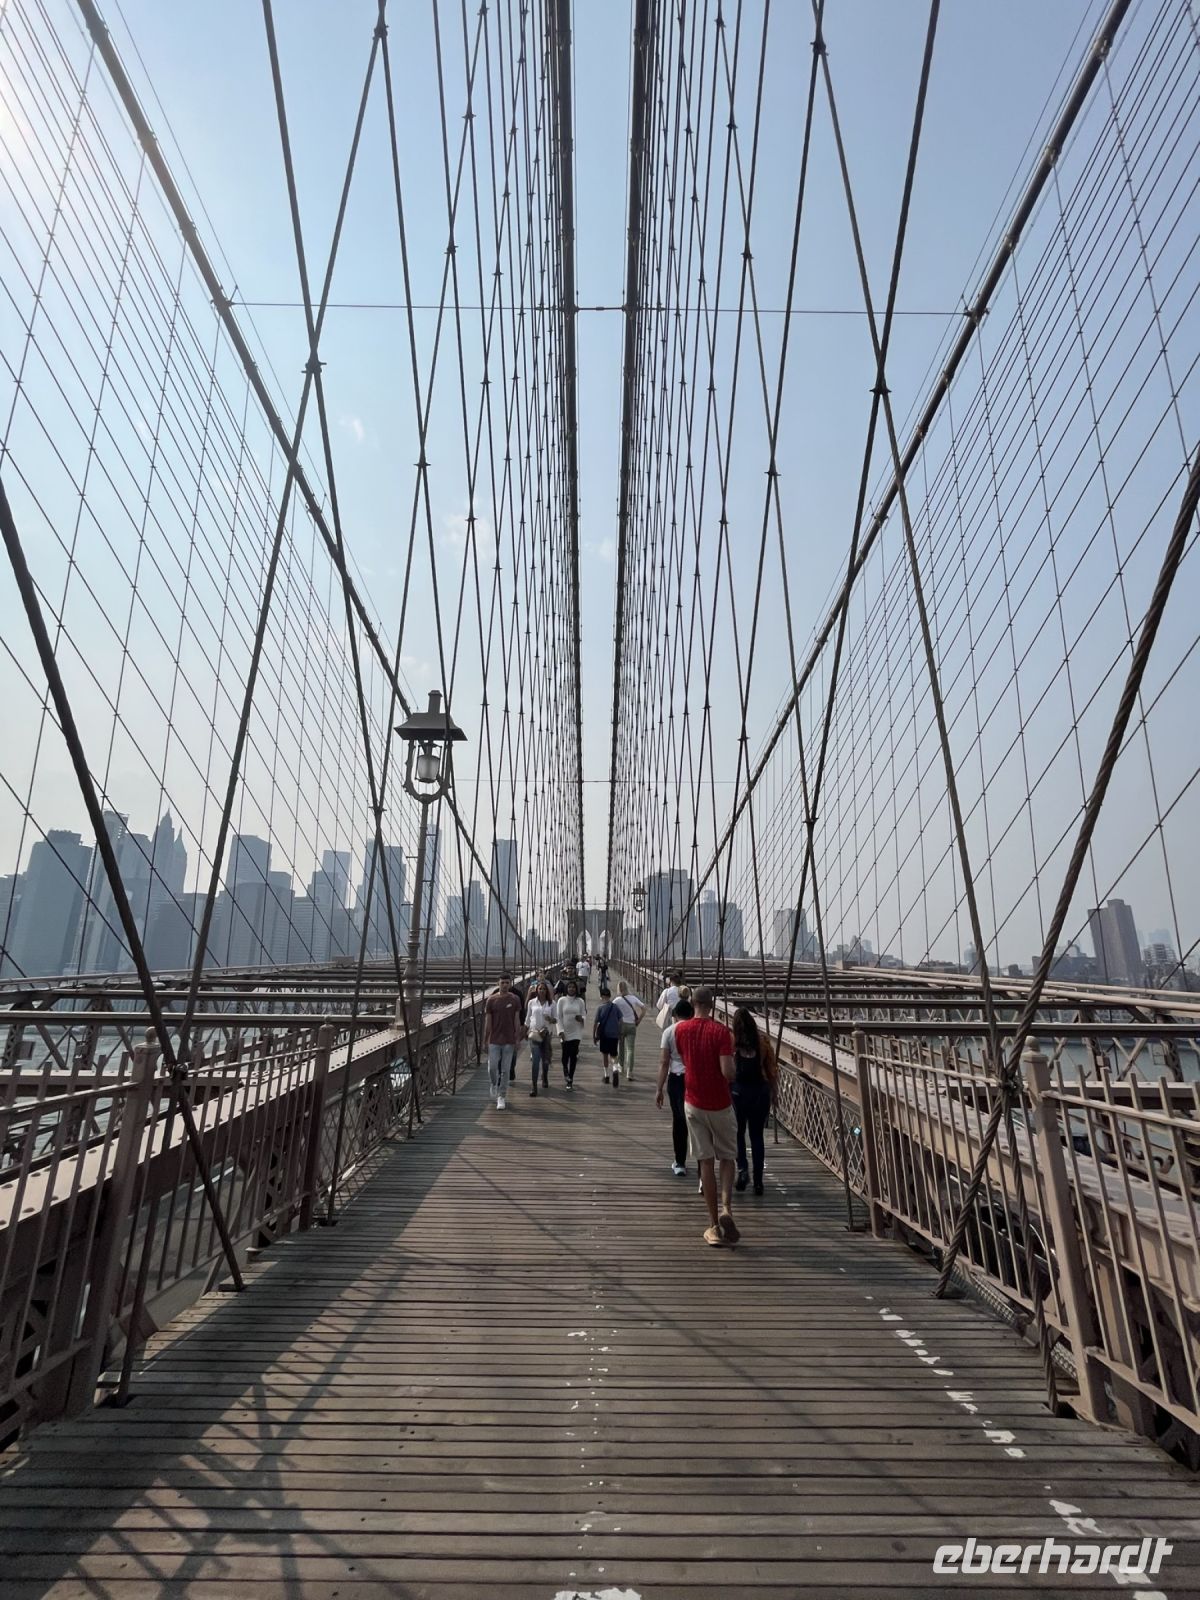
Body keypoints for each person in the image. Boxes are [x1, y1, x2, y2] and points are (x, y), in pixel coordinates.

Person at [674, 986, 739, 1245]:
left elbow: (684, 1057)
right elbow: (727, 1072)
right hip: (720, 1104)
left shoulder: (680, 1030)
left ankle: (713, 1226)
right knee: (727, 1157)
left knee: (705, 1163)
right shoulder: (722, 1032)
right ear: (711, 1005)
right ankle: (726, 1208)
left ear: (691, 1003)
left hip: (693, 1102)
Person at [730, 1007, 778, 1193]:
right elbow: (772, 1070)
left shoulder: (732, 1042)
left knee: (738, 1134)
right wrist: (775, 1093)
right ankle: (758, 1181)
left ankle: (742, 1169)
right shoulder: (763, 1041)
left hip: (738, 1093)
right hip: (760, 1093)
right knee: (757, 1136)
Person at [655, 992, 694, 1175]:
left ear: (674, 1015)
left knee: (679, 1121)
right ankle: (704, 1166)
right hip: (697, 1078)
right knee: (698, 1122)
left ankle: (680, 1163)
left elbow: (664, 1062)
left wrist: (659, 1089)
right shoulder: (697, 1029)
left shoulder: (669, 1032)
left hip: (677, 1079)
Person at [483, 973, 523, 1110]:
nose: (505, 985)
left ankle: (501, 1096)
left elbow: (517, 1020)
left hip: (509, 1040)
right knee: (492, 1067)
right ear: (498, 984)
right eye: (502, 983)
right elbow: (488, 1022)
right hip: (494, 1039)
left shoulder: (515, 999)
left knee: (506, 1070)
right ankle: (493, 1084)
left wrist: (517, 1038)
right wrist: (485, 1040)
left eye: (507, 982)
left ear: (510, 984)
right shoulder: (491, 1000)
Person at [526, 981, 558, 1096]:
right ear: (537, 990)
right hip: (534, 1034)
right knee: (535, 1060)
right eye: (540, 989)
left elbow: (556, 1019)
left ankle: (544, 1075)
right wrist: (524, 1031)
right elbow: (528, 1018)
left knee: (545, 1059)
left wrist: (550, 1019)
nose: (542, 991)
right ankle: (534, 1086)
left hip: (546, 1034)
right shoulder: (531, 1002)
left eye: (544, 989)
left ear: (547, 991)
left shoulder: (552, 1003)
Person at [556, 978, 587, 1088]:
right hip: (565, 1031)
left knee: (573, 1055)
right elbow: (558, 1017)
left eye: (573, 987)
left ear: (576, 989)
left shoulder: (580, 1001)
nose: (571, 989)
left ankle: (570, 1079)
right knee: (565, 1055)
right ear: (566, 988)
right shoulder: (561, 1000)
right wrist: (560, 1031)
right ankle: (565, 1072)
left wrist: (582, 1018)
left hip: (576, 1032)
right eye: (569, 987)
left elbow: (584, 1014)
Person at [614, 980, 644, 1083]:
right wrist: (639, 1020)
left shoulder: (617, 1000)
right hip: (632, 1025)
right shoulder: (633, 998)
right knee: (630, 1049)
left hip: (621, 1026)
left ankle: (621, 1066)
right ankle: (629, 1072)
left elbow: (612, 1011)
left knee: (620, 1047)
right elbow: (644, 1009)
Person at [593, 990, 622, 1085]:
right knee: (613, 1055)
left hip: (604, 1035)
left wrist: (594, 1035)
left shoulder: (600, 1008)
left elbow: (595, 1023)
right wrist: (619, 1032)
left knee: (605, 1055)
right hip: (614, 1034)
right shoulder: (615, 1007)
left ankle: (606, 1076)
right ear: (610, 996)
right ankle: (615, 1069)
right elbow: (620, 1020)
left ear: (601, 997)